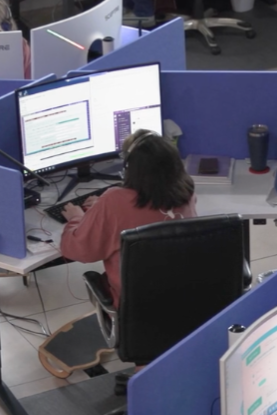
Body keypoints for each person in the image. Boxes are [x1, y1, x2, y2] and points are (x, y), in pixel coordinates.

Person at [59, 129, 196, 305]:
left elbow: (79, 250)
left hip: (137, 305)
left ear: (130, 169)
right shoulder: (187, 190)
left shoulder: (115, 200)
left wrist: (76, 218)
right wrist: (102, 208)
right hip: (187, 295)